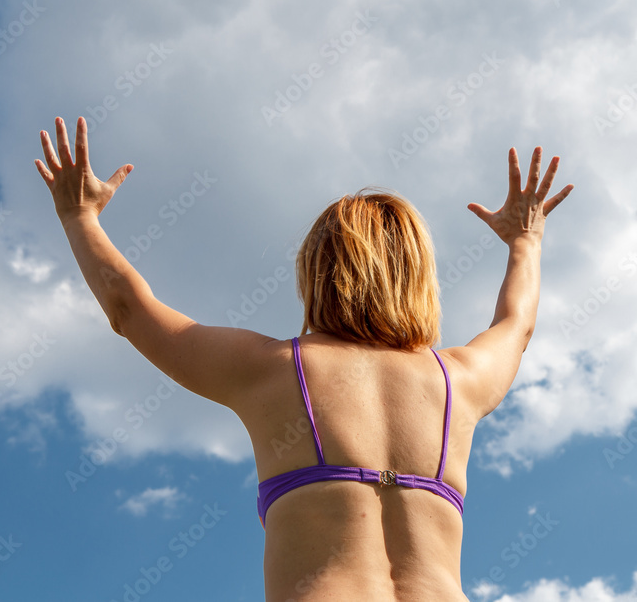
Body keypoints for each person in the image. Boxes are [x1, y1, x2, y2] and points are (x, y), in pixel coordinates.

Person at [34, 116, 574, 601]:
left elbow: (131, 309)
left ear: (317, 272)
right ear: (419, 277)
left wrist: (80, 216)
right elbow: (515, 327)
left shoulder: (271, 369)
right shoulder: (460, 380)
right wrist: (525, 242)